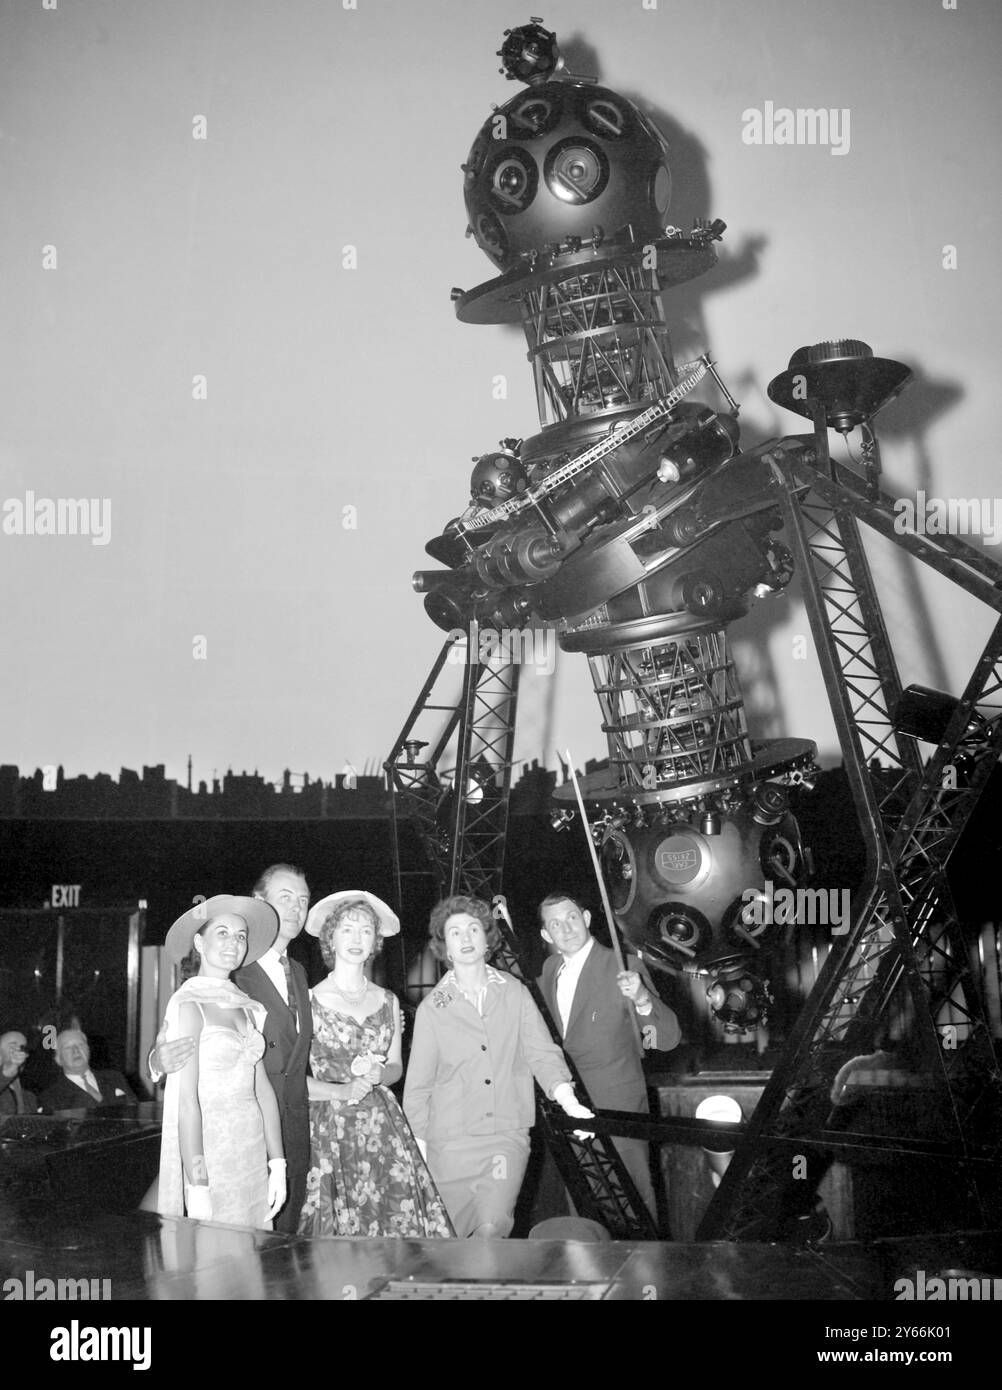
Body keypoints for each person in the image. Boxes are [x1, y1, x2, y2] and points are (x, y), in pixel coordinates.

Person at [403, 894, 593, 1239]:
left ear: (486, 939)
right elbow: (418, 1086)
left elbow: (542, 1053)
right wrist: (419, 1147)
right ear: (445, 947)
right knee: (451, 1243)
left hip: (505, 1137)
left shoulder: (515, 992)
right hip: (449, 1144)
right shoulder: (433, 1008)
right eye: (455, 932)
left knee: (492, 1228)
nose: (465, 938)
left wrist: (569, 1101)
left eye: (473, 928)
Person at [152, 863, 314, 1232]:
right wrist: (157, 1060)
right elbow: (171, 1049)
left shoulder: (297, 976)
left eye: (303, 900)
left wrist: (278, 1162)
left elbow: (287, 1068)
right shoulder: (224, 976)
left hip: (275, 1139)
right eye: (285, 898)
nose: (294, 909)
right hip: (215, 1146)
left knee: (272, 1264)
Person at [299, 891, 453, 1238]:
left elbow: (396, 1067)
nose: (356, 939)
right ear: (331, 938)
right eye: (347, 929)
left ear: (375, 943)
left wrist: (379, 1073)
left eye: (366, 931)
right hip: (330, 1128)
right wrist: (341, 1090)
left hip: (382, 1126)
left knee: (394, 1224)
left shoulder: (388, 1000)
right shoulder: (307, 1001)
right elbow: (293, 1078)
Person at [537, 892, 681, 1219]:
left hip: (618, 1106)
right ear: (546, 935)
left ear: (587, 919)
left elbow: (667, 1038)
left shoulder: (623, 964)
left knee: (634, 1202)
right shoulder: (549, 970)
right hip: (569, 1107)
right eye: (555, 924)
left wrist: (643, 999)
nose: (566, 928)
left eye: (572, 917)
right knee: (584, 1203)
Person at [38, 1029, 137, 1114]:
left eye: (80, 1044)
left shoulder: (115, 1078)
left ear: (88, 1050)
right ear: (58, 1059)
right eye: (68, 1047)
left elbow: (136, 1113)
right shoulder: (51, 1096)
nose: (76, 1050)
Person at [0, 1031, 38, 1117]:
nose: (19, 1051)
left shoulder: (29, 1097)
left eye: (23, 1048)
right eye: (12, 1046)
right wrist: (8, 1070)